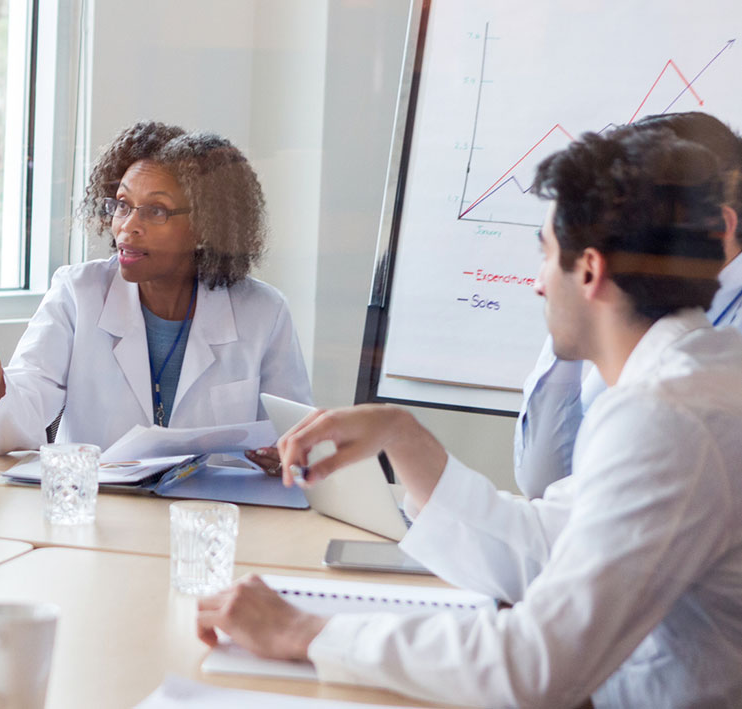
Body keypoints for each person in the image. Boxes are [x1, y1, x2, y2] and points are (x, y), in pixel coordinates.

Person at [195, 128, 742, 706]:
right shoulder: (696, 380)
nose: (536, 283)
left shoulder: (665, 417)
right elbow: (548, 547)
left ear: (588, 270)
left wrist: (304, 632)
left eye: (544, 255)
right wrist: (402, 438)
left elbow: (535, 668)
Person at [0, 121, 311, 460]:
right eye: (123, 205)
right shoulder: (78, 294)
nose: (128, 226)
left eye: (155, 211)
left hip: (209, 519)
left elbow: (298, 442)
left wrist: (287, 457)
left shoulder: (264, 313)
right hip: (97, 519)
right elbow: (8, 431)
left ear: (206, 226)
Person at [514, 111, 742, 497]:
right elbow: (545, 482)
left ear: (716, 227)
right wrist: (573, 300)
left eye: (630, 211)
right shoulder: (628, 308)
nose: (610, 229)